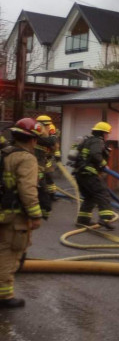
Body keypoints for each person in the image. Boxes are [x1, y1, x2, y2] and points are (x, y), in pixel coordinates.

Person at [0, 118, 45, 308]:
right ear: (33, 140)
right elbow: (27, 190)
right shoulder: (26, 158)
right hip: (13, 216)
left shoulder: (4, 153)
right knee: (9, 254)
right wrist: (35, 215)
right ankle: (4, 296)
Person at [73, 122, 116, 230]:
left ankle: (83, 220)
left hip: (80, 174)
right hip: (90, 174)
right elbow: (95, 154)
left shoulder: (87, 140)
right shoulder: (98, 141)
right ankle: (105, 219)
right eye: (107, 134)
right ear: (102, 133)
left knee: (90, 197)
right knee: (103, 194)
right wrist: (104, 164)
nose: (107, 136)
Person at [34, 115, 59, 199]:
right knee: (41, 181)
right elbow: (50, 141)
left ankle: (51, 194)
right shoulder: (37, 136)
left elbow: (54, 146)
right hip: (37, 163)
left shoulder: (44, 135)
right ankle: (43, 198)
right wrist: (54, 136)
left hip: (44, 161)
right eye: (47, 126)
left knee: (48, 178)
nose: (49, 128)